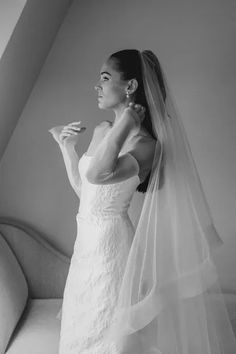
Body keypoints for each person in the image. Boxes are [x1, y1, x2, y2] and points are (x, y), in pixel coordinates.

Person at [49, 49, 236, 353]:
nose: (96, 85)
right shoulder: (101, 131)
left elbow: (98, 173)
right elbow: (88, 194)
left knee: (111, 329)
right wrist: (66, 147)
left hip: (112, 249)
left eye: (105, 78)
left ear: (131, 86)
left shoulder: (147, 146)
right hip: (85, 249)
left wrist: (125, 123)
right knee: (82, 322)